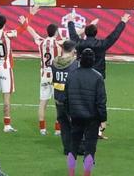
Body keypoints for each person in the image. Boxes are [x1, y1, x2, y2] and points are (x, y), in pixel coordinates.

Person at [68, 13, 129, 138]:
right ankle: (97, 131)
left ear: (85, 32)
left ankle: (81, 129)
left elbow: (73, 35)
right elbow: (114, 36)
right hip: (97, 78)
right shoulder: (101, 45)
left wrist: (70, 22)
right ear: (96, 33)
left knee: (82, 102)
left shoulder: (80, 44)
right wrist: (122, 22)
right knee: (97, 103)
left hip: (81, 77)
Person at [0, 6, 36, 132]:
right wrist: (30, 15)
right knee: (6, 98)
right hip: (6, 69)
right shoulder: (7, 34)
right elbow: (22, 28)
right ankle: (6, 125)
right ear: (4, 24)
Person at [64, 48, 107, 176]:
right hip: (92, 118)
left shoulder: (72, 75)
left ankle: (71, 174)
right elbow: (101, 101)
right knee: (90, 148)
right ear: (93, 61)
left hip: (76, 116)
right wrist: (103, 119)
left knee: (73, 146)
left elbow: (65, 98)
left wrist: (70, 113)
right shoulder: (98, 77)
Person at [31, 22, 65, 135]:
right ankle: (57, 129)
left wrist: (25, 24)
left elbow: (33, 33)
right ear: (56, 32)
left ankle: (42, 129)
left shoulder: (41, 42)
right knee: (59, 103)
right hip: (56, 76)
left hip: (45, 75)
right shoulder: (59, 43)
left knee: (43, 102)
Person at [51, 40, 79, 175]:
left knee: (63, 124)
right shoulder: (74, 64)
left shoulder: (54, 62)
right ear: (73, 50)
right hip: (71, 99)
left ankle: (67, 149)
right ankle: (77, 148)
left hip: (58, 97)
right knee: (75, 124)